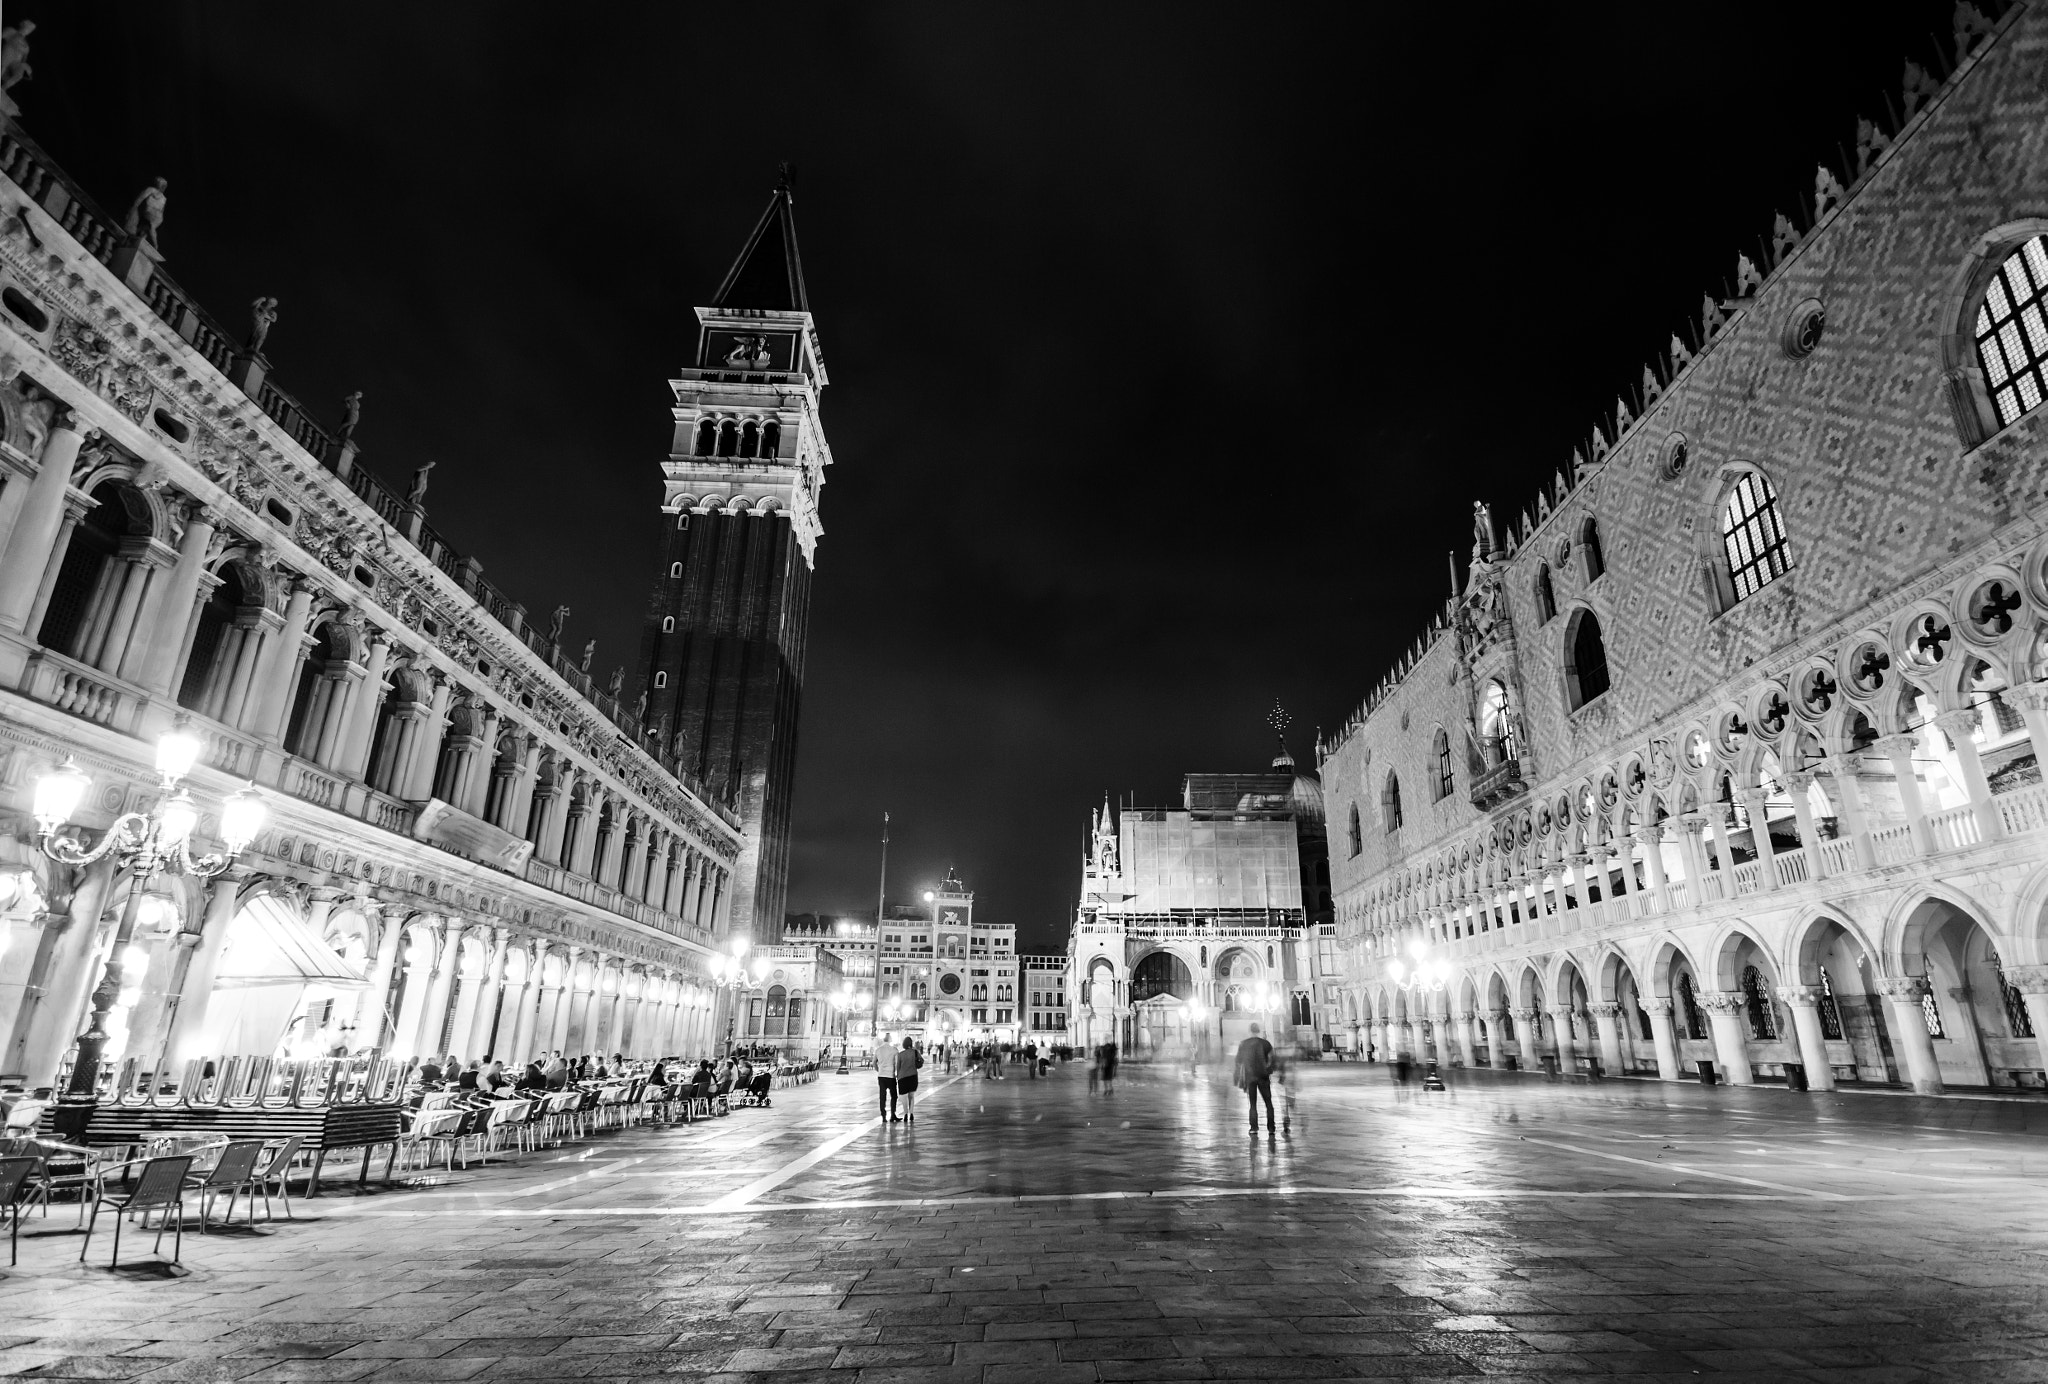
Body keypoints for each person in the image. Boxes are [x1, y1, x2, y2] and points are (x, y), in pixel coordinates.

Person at [1235, 1023, 1276, 1135]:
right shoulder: (1266, 1043)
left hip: (1250, 1077)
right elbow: (1273, 1058)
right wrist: (1269, 1070)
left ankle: (1254, 1128)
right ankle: (1271, 1128)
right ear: (1258, 1031)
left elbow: (1238, 1061)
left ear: (1250, 1030)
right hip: (1263, 1077)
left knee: (1252, 1104)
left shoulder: (1243, 1044)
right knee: (1268, 1103)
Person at [895, 1037, 922, 1123]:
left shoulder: (900, 1054)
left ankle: (905, 1114)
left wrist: (898, 1076)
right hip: (913, 1076)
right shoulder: (915, 1052)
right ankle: (912, 1113)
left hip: (902, 1077)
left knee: (903, 1097)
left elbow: (898, 1067)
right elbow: (921, 1060)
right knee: (911, 1096)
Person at [877, 1046, 899, 1122]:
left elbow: (874, 1062)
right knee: (894, 1096)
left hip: (881, 1076)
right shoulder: (894, 1050)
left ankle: (883, 1115)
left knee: (882, 1096)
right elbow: (897, 1063)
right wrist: (896, 1072)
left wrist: (878, 1070)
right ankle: (893, 1114)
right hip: (890, 1075)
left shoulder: (878, 1049)